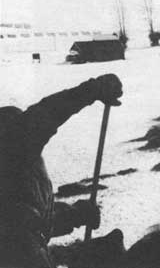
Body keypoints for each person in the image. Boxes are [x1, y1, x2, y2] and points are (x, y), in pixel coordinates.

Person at [0, 74, 123, 268]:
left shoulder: (22, 170)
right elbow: (45, 114)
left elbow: (31, 223)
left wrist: (75, 215)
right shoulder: (11, 147)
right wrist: (91, 90)